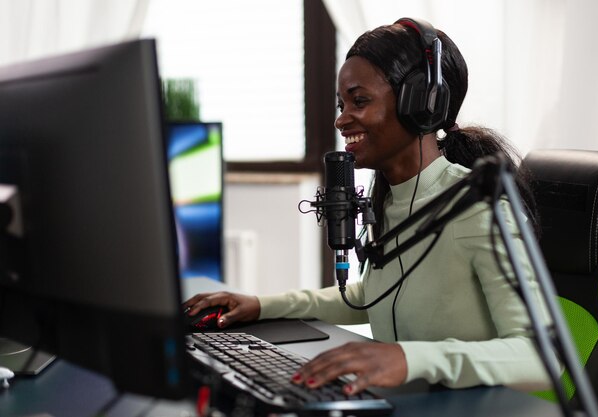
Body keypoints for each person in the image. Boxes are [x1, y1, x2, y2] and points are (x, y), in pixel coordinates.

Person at [184, 17, 552, 396]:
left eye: (359, 101)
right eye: (342, 103)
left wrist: (408, 358)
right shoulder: (392, 198)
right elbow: (369, 295)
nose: (341, 119)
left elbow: (540, 356)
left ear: (419, 104)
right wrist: (261, 305)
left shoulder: (480, 207)